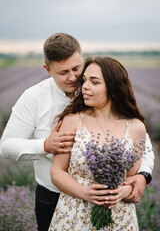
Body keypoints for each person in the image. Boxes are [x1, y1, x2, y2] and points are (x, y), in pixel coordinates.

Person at [0, 33, 154, 230]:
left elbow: (140, 143)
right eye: (63, 72)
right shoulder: (34, 97)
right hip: (54, 196)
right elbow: (6, 145)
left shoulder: (94, 88)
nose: (73, 78)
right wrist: (45, 145)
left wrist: (143, 176)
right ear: (47, 70)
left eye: (76, 68)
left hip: (109, 201)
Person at [49, 56, 154, 230]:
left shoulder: (136, 127)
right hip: (74, 214)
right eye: (84, 81)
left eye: (94, 82)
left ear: (113, 88)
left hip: (119, 216)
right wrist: (86, 193)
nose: (85, 87)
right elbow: (56, 172)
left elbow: (131, 179)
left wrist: (126, 191)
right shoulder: (73, 121)